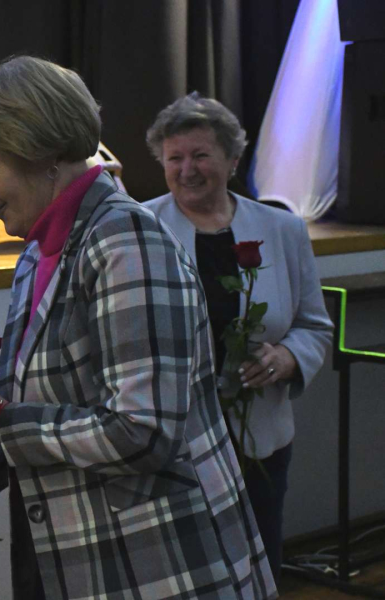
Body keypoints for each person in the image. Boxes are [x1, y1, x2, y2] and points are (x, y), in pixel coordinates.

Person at [0, 56, 277, 599]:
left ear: (41, 149)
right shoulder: (41, 250)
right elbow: (35, 417)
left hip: (162, 574)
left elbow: (143, 432)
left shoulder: (125, 241)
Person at [143, 92, 333, 582]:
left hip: (258, 440)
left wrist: (288, 357)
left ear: (232, 160)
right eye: (174, 158)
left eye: (201, 155)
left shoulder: (283, 229)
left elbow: (314, 325)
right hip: (171, 443)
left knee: (257, 567)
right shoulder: (140, 228)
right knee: (182, 575)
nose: (187, 169)